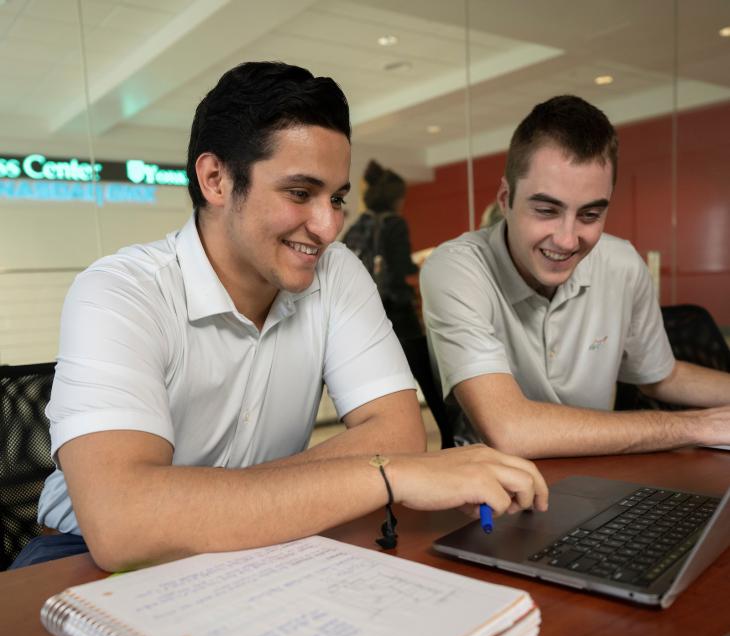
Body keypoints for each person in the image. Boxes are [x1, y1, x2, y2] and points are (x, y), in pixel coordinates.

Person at [11, 62, 547, 572]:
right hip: (83, 559)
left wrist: (220, 501)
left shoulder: (337, 272)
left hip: (273, 541)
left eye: (337, 197)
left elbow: (400, 436)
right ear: (216, 179)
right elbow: (124, 524)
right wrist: (384, 476)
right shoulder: (120, 292)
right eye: (300, 192)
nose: (328, 225)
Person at [421, 95, 730, 459]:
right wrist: (700, 425)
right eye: (546, 210)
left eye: (589, 215)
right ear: (505, 199)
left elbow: (661, 376)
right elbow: (511, 429)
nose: (567, 240)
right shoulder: (456, 268)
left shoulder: (622, 264)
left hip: (603, 477)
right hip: (497, 489)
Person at [343, 160, 422, 340]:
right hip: (394, 307)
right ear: (395, 198)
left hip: (362, 305)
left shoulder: (359, 223)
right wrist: (419, 266)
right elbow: (401, 266)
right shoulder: (395, 224)